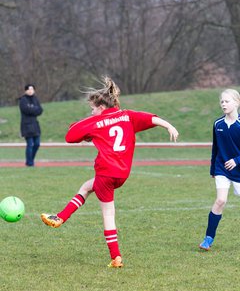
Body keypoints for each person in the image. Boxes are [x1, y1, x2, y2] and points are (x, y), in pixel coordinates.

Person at [41, 76, 179, 267]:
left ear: (101, 107)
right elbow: (151, 118)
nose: (91, 112)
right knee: (87, 187)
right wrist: (169, 125)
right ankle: (60, 217)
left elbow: (70, 137)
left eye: (92, 109)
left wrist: (87, 124)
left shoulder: (95, 122)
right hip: (121, 174)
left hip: (106, 174)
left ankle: (116, 257)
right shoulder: (127, 116)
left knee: (107, 214)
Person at [199, 89, 240, 251]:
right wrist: (213, 169)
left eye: (227, 101)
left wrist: (237, 161)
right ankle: (208, 238)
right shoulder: (218, 124)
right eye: (222, 101)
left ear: (236, 102)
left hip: (238, 171)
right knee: (220, 200)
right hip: (221, 168)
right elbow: (215, 148)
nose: (223, 104)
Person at [19, 84, 43, 166]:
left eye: (32, 89)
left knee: (37, 143)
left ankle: (30, 160)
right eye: (29, 89)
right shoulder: (23, 100)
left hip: (35, 125)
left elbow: (40, 110)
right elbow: (26, 110)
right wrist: (34, 109)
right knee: (30, 144)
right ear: (25, 90)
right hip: (26, 125)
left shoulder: (35, 99)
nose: (30, 91)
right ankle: (29, 163)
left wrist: (32, 108)